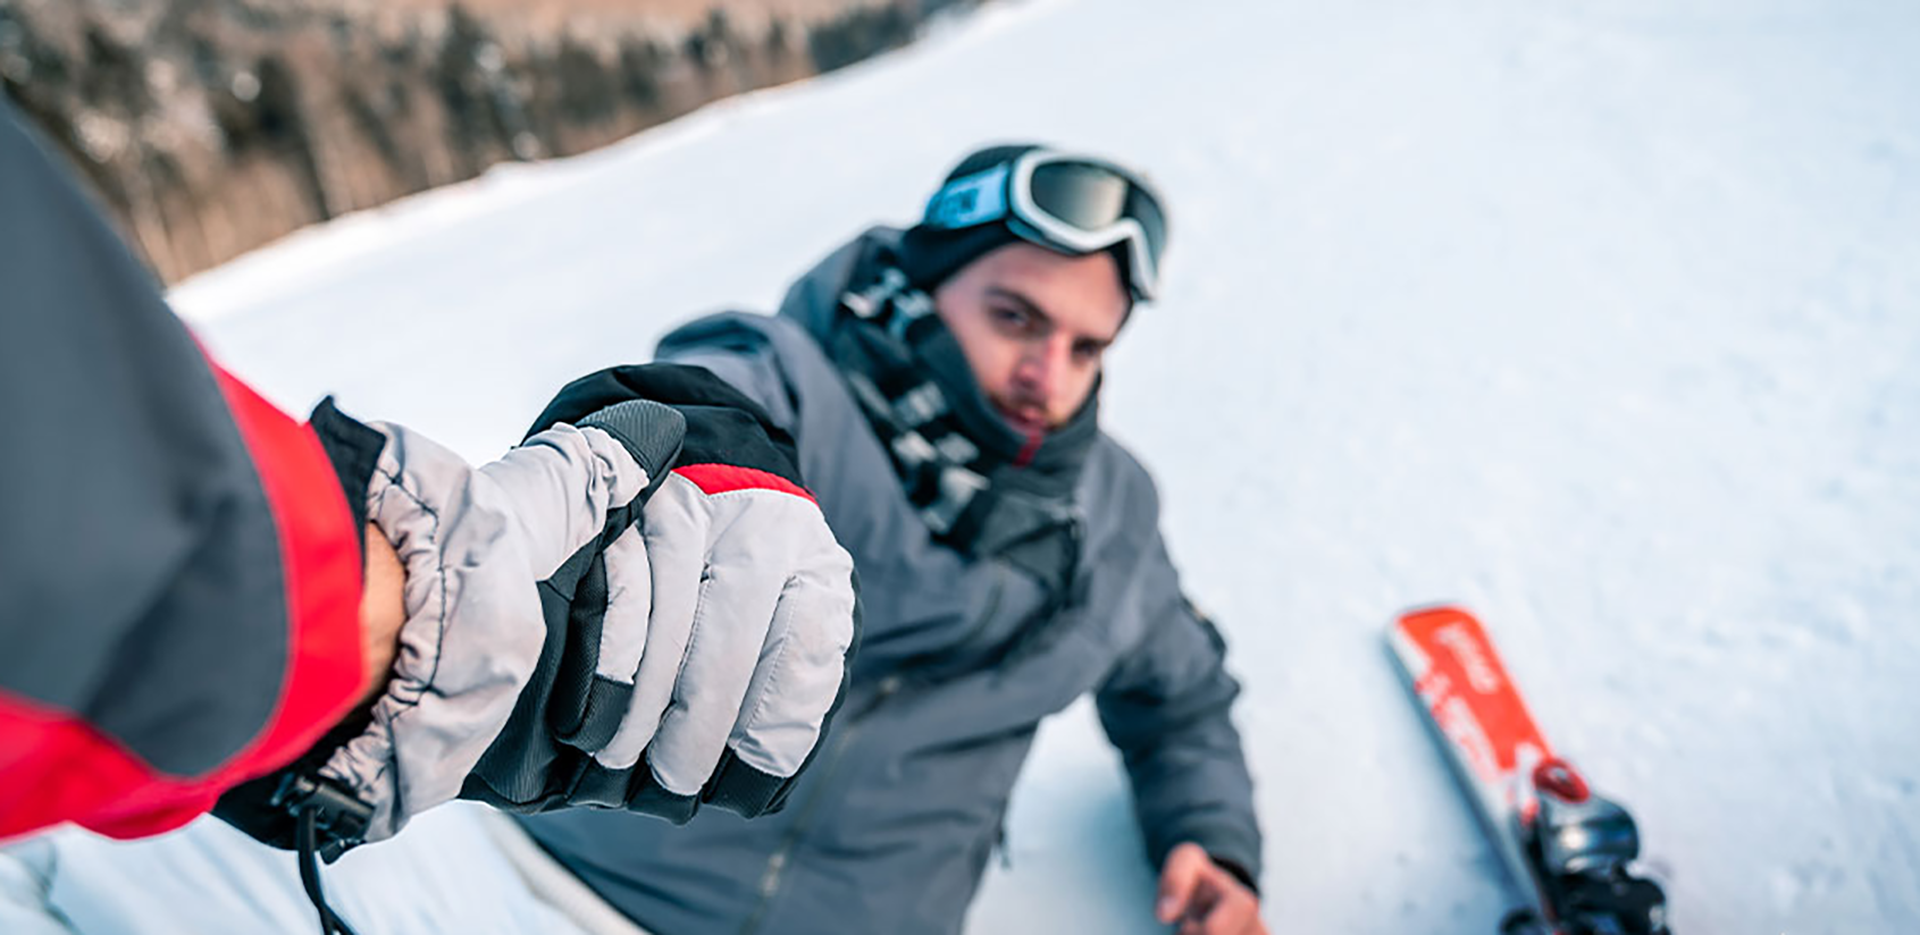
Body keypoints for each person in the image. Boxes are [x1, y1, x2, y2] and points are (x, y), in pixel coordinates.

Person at [0, 92, 860, 932]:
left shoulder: (1005, 581)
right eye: (1002, 313)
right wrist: (413, 602)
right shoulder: (833, 385)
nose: (1006, 374)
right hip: (524, 869)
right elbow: (736, 390)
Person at [515, 143, 1267, 935]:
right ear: (930, 283)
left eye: (1086, 348)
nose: (1048, 378)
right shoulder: (796, 388)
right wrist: (697, 466)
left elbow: (1182, 699)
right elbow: (697, 421)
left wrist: (1211, 839)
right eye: (1015, 317)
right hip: (561, 891)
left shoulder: (1113, 513)